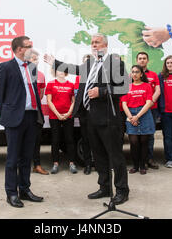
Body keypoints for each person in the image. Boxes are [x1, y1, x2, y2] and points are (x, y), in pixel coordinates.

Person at [44, 33, 130, 205]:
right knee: (98, 156)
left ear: (105, 44)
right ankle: (104, 187)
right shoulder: (90, 63)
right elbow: (74, 68)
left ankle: (122, 190)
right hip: (90, 117)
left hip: (108, 118)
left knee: (115, 156)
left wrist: (102, 92)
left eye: (97, 42)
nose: (94, 45)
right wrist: (55, 63)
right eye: (92, 43)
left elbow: (124, 87)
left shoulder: (114, 63)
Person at [0, 36, 45, 208]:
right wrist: (3, 116)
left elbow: (34, 92)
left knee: (26, 157)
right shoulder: (6, 67)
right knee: (13, 159)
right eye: (29, 46)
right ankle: (12, 193)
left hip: (31, 117)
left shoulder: (32, 67)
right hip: (14, 119)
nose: (32, 48)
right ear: (19, 49)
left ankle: (25, 190)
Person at [122, 65, 155, 175]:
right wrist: (131, 117)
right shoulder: (127, 86)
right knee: (134, 142)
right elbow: (124, 103)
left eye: (137, 72)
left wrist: (138, 116)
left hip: (144, 114)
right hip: (130, 114)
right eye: (133, 72)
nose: (134, 74)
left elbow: (149, 102)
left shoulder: (147, 86)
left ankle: (142, 166)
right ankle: (135, 166)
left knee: (144, 141)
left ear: (141, 74)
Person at [46, 68, 77, 174]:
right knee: (55, 140)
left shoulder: (71, 84)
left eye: (62, 70)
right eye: (58, 70)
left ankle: (72, 163)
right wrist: (58, 114)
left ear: (66, 72)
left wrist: (68, 113)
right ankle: (55, 164)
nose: (60, 72)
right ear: (55, 72)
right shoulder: (50, 84)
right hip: (55, 117)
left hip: (68, 116)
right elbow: (49, 101)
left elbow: (73, 101)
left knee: (70, 139)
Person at [136, 52, 161, 169]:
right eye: (140, 58)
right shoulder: (133, 74)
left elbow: (158, 90)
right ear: (137, 60)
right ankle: (141, 160)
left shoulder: (153, 75)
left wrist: (150, 102)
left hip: (151, 109)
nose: (142, 60)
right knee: (138, 135)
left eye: (144, 58)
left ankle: (149, 158)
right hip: (136, 109)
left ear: (147, 60)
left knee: (149, 135)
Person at [28, 49, 49, 175]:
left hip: (37, 112)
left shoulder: (41, 75)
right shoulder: (22, 73)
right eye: (33, 59)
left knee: (36, 140)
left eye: (37, 59)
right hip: (24, 112)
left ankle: (37, 165)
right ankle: (23, 166)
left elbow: (40, 94)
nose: (36, 61)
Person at [74, 54, 94, 175]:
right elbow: (77, 95)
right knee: (85, 140)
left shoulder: (98, 78)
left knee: (97, 139)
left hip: (96, 112)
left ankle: (101, 163)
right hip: (84, 113)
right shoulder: (79, 78)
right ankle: (87, 165)